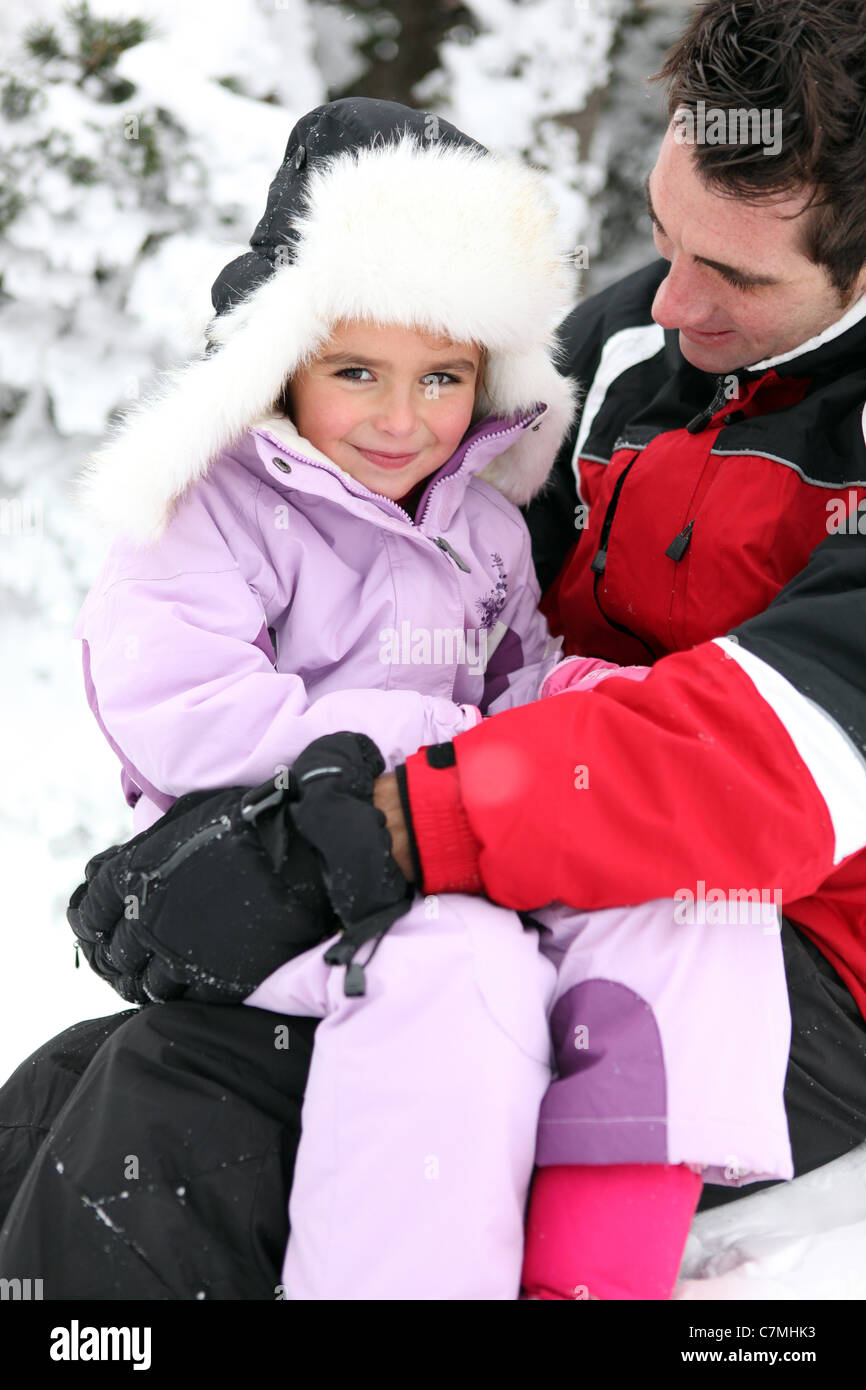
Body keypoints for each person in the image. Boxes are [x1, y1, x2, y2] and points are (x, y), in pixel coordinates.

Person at [3, 0, 866, 1301]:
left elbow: (757, 755)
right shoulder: (636, 351)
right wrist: (245, 819)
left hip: (776, 944)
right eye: (664, 232)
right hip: (553, 856)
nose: (673, 298)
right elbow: (423, 561)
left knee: (206, 1103)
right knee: (80, 1079)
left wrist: (380, 820)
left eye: (736, 276)